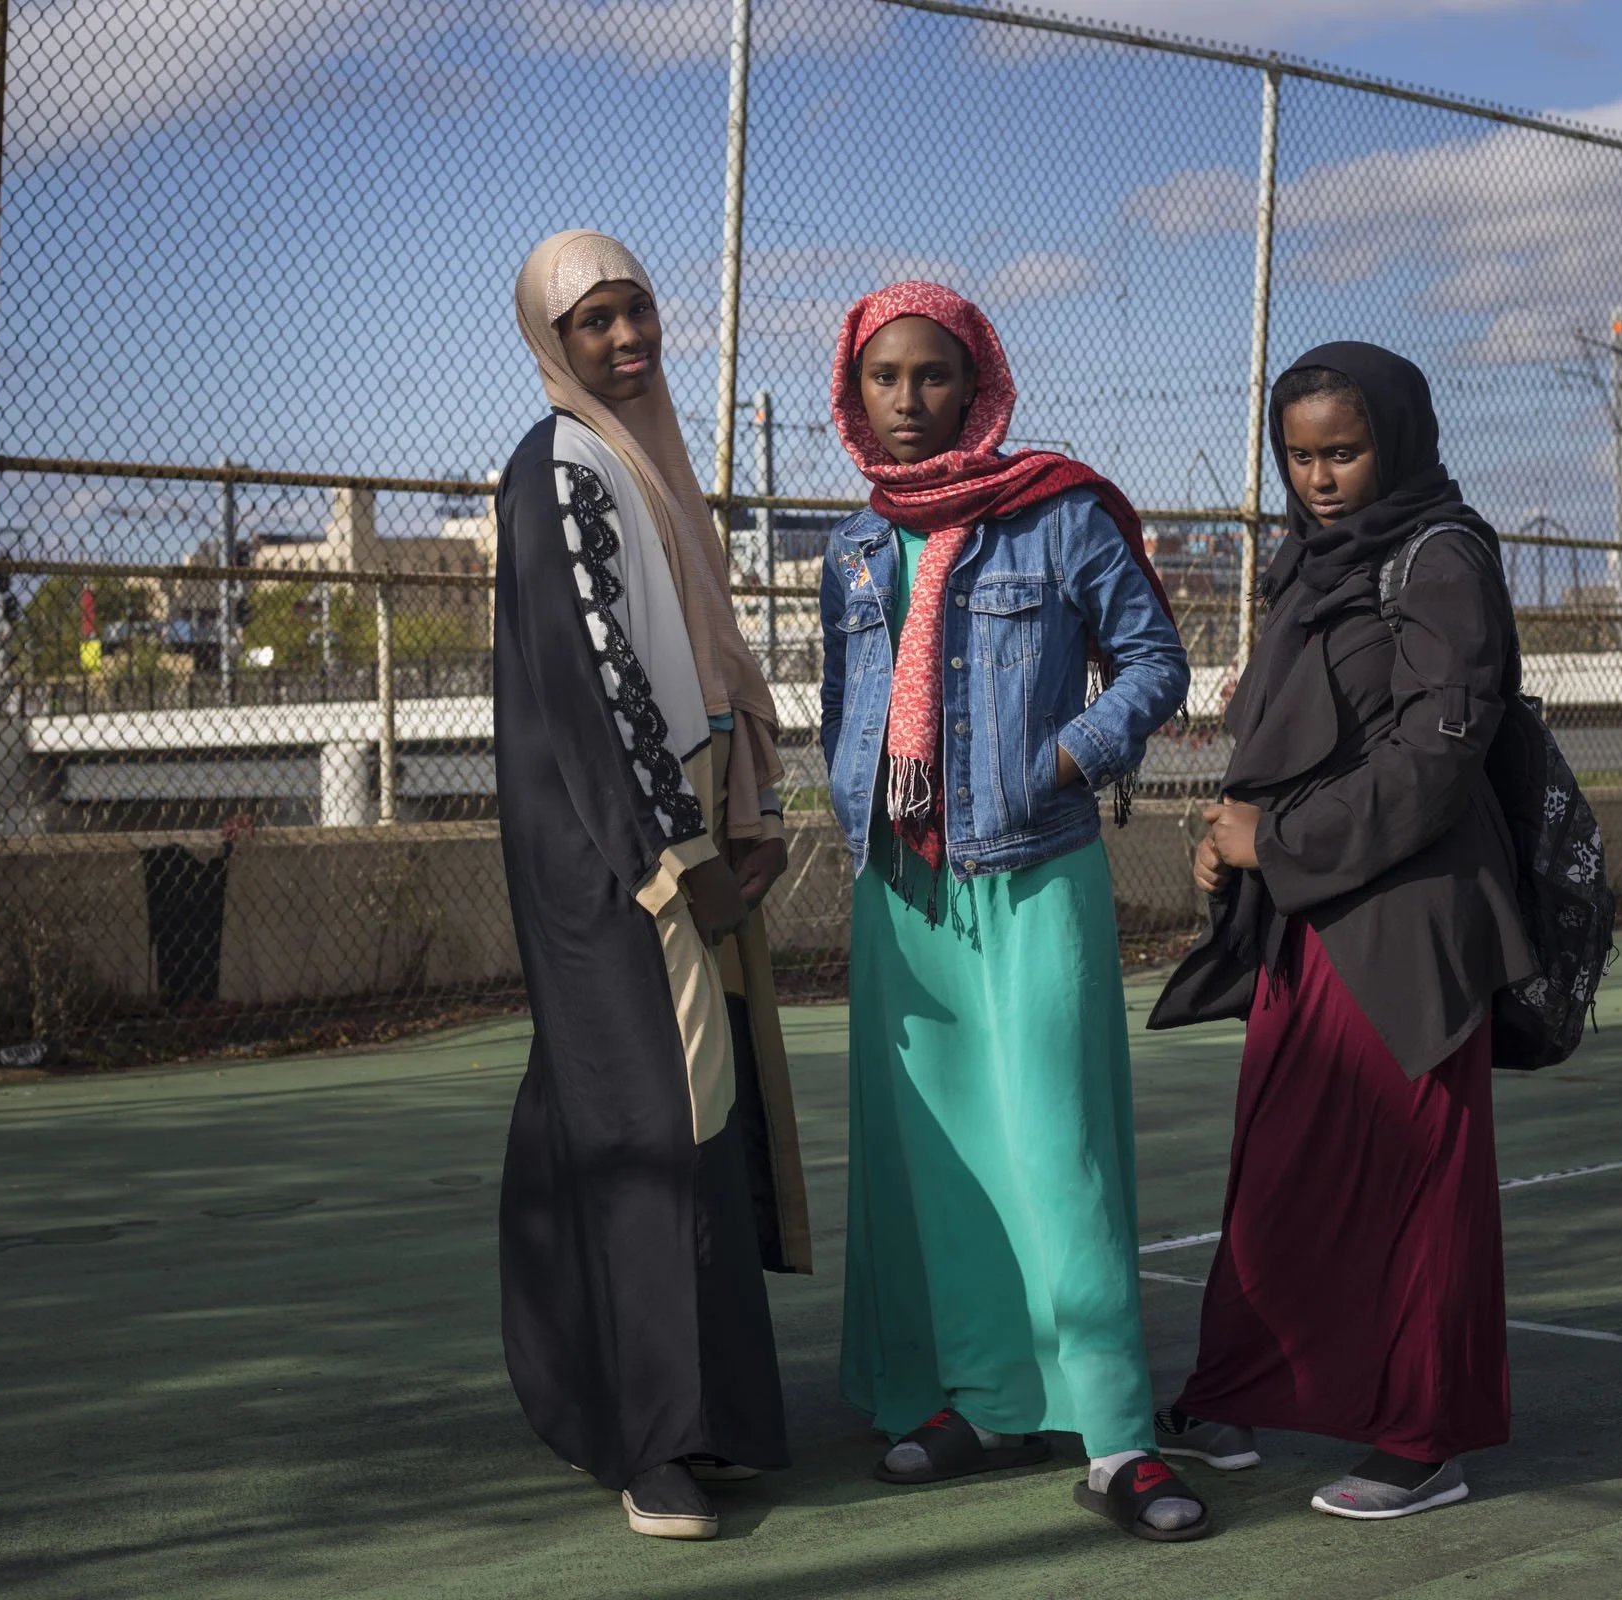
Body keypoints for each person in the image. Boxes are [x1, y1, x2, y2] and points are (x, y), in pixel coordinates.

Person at [818, 281, 1208, 1543]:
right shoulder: (855, 543)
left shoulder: (1063, 511)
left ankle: (1117, 1436)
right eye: (886, 379)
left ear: (979, 378)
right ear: (855, 396)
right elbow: (845, 694)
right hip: (905, 884)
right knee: (943, 1156)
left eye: (934, 375)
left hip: (1034, 868)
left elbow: (1155, 661)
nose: (911, 401)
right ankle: (984, 1399)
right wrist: (857, 798)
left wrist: (1061, 760)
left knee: (1061, 1145)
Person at [1148, 341, 1532, 1521]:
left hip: (1409, 920)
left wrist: (1281, 840)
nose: (1319, 477)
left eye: (1344, 451)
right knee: (1281, 1162)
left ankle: (1424, 1443)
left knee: (1414, 1180)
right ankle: (1237, 1392)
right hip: (1311, 917)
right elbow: (1289, 734)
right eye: (1299, 455)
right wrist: (1231, 836)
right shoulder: (1305, 563)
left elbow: (1434, 758)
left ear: (1399, 441)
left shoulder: (1442, 556)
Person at [491, 230, 812, 1542]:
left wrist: (749, 801)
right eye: (596, 324)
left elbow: (698, 655)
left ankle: (690, 1408)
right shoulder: (556, 468)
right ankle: (649, 1437)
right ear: (550, 344)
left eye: (639, 314)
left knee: (686, 1102)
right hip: (613, 854)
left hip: (669, 826)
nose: (628, 341)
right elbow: (593, 677)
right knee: (652, 1116)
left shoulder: (644, 461)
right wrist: (668, 847)